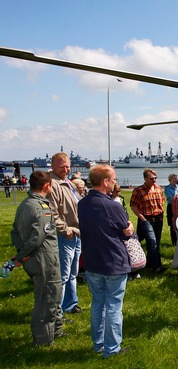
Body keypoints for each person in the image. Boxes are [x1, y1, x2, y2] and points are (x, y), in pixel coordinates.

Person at [78, 164, 134, 358]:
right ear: (105, 182)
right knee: (113, 306)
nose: (115, 183)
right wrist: (131, 227)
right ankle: (112, 349)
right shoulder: (112, 205)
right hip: (113, 262)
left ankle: (98, 344)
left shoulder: (83, 203)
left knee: (98, 304)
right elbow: (125, 232)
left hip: (92, 261)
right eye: (114, 180)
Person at [10, 171, 65, 346]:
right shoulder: (42, 208)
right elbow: (38, 237)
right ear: (47, 186)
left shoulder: (24, 205)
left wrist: (21, 251)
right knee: (47, 298)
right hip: (44, 259)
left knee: (51, 295)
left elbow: (14, 232)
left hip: (34, 259)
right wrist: (21, 255)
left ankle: (56, 330)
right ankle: (43, 340)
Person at [47, 152, 82, 315]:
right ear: (53, 166)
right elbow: (50, 213)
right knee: (62, 276)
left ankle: (70, 303)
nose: (66, 169)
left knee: (73, 273)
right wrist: (65, 229)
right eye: (62, 167)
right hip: (65, 235)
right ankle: (56, 312)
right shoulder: (51, 185)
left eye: (68, 166)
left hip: (76, 233)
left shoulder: (67, 182)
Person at [130, 168, 166, 273]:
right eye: (151, 178)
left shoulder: (158, 189)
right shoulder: (138, 190)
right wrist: (142, 218)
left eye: (155, 178)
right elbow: (133, 205)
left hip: (158, 219)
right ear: (145, 178)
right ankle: (157, 266)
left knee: (156, 243)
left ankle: (150, 264)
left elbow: (162, 202)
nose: (154, 180)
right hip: (146, 219)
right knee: (152, 242)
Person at [164, 173, 178, 246]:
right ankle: (174, 241)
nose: (176, 180)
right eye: (174, 178)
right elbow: (171, 198)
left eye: (176, 178)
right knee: (172, 224)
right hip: (171, 206)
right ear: (170, 180)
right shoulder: (167, 188)